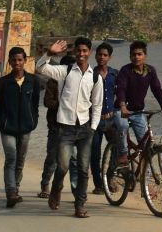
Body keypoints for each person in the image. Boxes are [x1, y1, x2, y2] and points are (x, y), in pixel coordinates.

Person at [36, 37, 103, 219]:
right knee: (63, 167)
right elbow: (40, 68)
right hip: (65, 129)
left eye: (84, 51)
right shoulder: (65, 71)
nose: (81, 54)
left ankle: (80, 205)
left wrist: (93, 127)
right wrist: (50, 53)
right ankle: (56, 188)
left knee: (82, 169)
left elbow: (97, 105)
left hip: (85, 129)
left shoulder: (95, 77)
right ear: (74, 53)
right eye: (78, 51)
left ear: (89, 52)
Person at [0, 47, 40, 208]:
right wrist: (1, 119)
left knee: (20, 160)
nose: (17, 63)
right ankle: (10, 192)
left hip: (26, 128)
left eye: (20, 60)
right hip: (7, 128)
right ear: (10, 62)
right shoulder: (2, 83)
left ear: (25, 60)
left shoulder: (33, 81)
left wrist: (33, 121)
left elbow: (35, 104)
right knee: (11, 156)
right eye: (14, 60)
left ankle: (16, 189)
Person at [115, 40, 162, 166]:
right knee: (123, 127)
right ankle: (123, 155)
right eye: (133, 54)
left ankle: (145, 181)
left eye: (139, 54)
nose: (136, 57)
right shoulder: (125, 71)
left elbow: (157, 89)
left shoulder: (151, 71)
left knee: (146, 148)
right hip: (122, 111)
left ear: (145, 56)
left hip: (138, 111)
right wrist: (123, 106)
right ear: (130, 56)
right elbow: (121, 89)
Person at [38, 53, 77, 198]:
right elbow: (48, 102)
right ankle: (45, 185)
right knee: (52, 158)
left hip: (73, 127)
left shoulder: (79, 82)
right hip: (56, 125)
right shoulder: (54, 81)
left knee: (74, 159)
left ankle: (75, 189)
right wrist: (64, 104)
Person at [90, 42, 124, 194]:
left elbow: (122, 93)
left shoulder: (115, 74)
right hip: (95, 120)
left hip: (111, 119)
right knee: (95, 153)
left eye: (105, 55)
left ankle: (109, 176)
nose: (102, 57)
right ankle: (98, 185)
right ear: (95, 56)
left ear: (109, 57)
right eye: (99, 55)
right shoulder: (90, 74)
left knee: (117, 148)